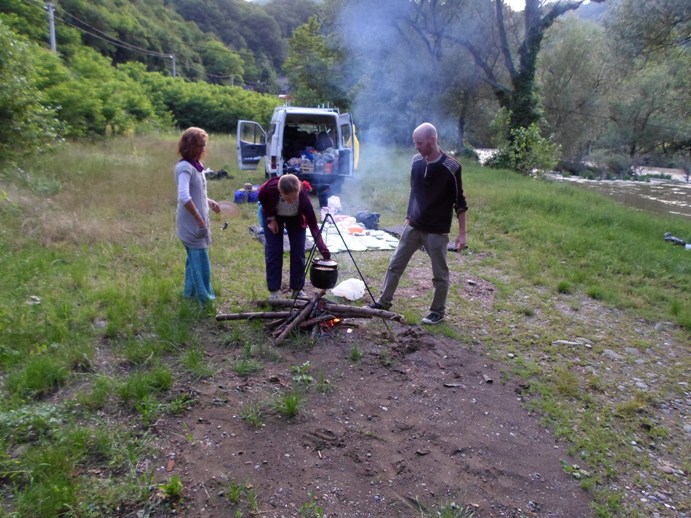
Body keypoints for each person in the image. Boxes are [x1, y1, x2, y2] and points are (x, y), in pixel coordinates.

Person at [369, 122, 468, 324]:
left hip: (436, 230)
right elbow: (414, 191)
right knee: (395, 265)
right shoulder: (416, 161)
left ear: (432, 140)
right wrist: (409, 215)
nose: (416, 147)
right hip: (414, 225)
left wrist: (462, 233)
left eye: (420, 143)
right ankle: (384, 301)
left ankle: (437, 312)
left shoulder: (451, 167)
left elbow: (460, 202)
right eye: (415, 142)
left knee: (440, 274)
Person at [258, 174, 331, 299]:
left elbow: (313, 225)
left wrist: (323, 249)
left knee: (298, 250)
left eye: (294, 197)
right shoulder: (269, 189)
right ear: (281, 192)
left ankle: (297, 289)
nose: (292, 201)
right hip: (274, 215)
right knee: (274, 251)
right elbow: (262, 197)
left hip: (296, 218)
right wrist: (270, 219)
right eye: (289, 198)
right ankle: (274, 291)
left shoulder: (302, 197)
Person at [174, 127, 220, 305]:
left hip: (197, 223)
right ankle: (205, 300)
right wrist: (199, 219)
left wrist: (209, 202)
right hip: (191, 224)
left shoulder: (195, 165)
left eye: (203, 145)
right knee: (201, 262)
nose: (202, 149)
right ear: (189, 146)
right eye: (199, 145)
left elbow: (196, 193)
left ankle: (189, 295)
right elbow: (184, 196)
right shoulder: (185, 168)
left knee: (193, 260)